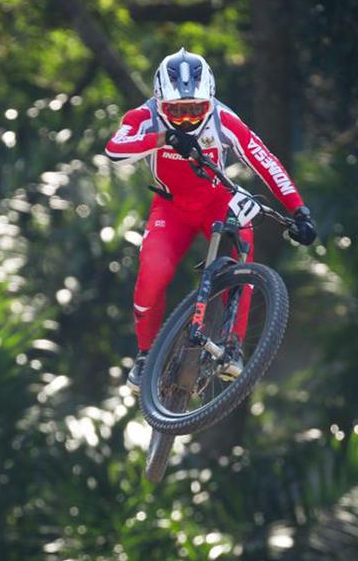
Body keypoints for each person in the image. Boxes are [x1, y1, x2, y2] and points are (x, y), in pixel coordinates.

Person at [104, 48, 317, 390]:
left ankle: (233, 345)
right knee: (152, 275)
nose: (186, 119)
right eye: (177, 111)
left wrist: (298, 209)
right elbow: (115, 149)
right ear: (160, 101)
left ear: (210, 101)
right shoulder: (143, 116)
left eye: (195, 110)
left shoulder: (222, 119)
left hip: (217, 199)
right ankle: (145, 355)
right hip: (170, 208)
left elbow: (265, 161)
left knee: (244, 242)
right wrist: (163, 137)